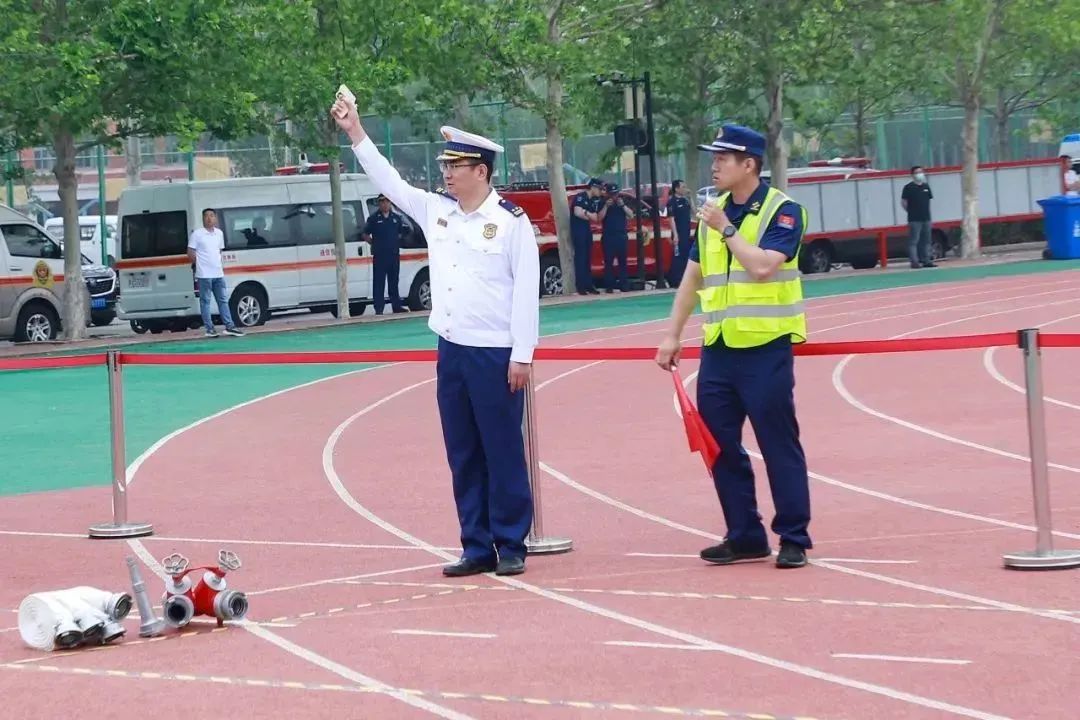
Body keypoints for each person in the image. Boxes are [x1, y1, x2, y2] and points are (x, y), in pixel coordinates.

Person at [332, 94, 540, 577]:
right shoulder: (437, 211)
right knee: (462, 451)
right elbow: (388, 180)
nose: (446, 173)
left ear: (481, 171)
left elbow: (526, 292)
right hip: (452, 349)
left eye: (456, 166)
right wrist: (355, 132)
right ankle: (476, 544)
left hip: (495, 352)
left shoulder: (510, 223)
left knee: (502, 450)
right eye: (446, 165)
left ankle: (511, 542)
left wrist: (522, 354)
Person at [654, 124, 811, 569]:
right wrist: (672, 333)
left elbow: (762, 267)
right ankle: (744, 534)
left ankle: (793, 537)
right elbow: (693, 277)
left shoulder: (783, 211)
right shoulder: (714, 214)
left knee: (778, 445)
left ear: (750, 165)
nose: (715, 165)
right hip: (719, 350)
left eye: (723, 158)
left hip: (765, 348)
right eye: (714, 157)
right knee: (719, 446)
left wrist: (726, 229)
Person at [187, 208, 244, 337]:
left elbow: (219, 251)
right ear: (203, 219)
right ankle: (209, 329)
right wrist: (199, 264)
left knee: (223, 300)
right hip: (204, 275)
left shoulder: (219, 233)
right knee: (205, 301)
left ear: (215, 218)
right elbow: (190, 252)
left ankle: (230, 326)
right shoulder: (197, 234)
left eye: (212, 216)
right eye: (206, 216)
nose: (209, 218)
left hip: (218, 273)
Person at [362, 193, 407, 314]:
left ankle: (396, 306)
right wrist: (374, 243)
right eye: (382, 201)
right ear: (379, 203)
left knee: (394, 281)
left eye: (387, 201)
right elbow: (365, 234)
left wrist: (394, 243)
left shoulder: (396, 218)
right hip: (380, 256)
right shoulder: (373, 219)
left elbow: (400, 233)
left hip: (393, 255)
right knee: (379, 282)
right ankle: (379, 308)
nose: (385, 204)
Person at [570, 178, 603, 294]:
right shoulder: (581, 197)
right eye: (599, 189)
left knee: (588, 258)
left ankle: (588, 284)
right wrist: (587, 214)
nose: (600, 191)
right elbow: (577, 212)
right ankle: (581, 286)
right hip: (578, 231)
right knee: (580, 258)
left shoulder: (592, 201)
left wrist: (585, 213)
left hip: (587, 231)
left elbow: (595, 218)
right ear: (593, 187)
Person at [900, 166, 936, 269]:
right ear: (912, 175)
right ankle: (914, 262)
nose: (919, 174)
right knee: (914, 241)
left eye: (921, 172)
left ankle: (926, 260)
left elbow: (929, 200)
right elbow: (903, 202)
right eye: (917, 172)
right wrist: (911, 211)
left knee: (927, 240)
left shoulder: (926, 186)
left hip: (926, 218)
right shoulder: (908, 187)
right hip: (914, 219)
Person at [599, 182, 632, 292]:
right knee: (608, 262)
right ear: (607, 194)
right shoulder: (602, 202)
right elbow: (599, 218)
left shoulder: (622, 201)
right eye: (612, 194)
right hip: (608, 236)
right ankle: (609, 286)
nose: (614, 196)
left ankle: (624, 285)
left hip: (621, 235)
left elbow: (631, 215)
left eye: (615, 194)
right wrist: (606, 206)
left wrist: (623, 206)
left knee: (623, 261)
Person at [666, 179, 693, 285]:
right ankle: (675, 280)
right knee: (678, 256)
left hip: (686, 232)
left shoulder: (685, 200)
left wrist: (690, 198)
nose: (685, 189)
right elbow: (671, 218)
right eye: (683, 187)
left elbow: (694, 211)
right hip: (678, 232)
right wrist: (675, 235)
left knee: (686, 255)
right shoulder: (672, 202)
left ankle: (684, 278)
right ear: (676, 189)